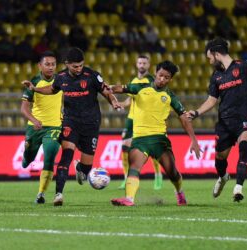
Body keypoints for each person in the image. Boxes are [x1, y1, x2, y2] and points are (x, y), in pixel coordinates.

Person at [187, 37, 247, 202]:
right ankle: (223, 177)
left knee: (244, 144)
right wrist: (196, 113)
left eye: (210, 58)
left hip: (244, 119)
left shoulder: (244, 66)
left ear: (217, 54)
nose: (210, 62)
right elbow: (211, 100)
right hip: (224, 123)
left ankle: (238, 188)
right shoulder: (216, 76)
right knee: (220, 158)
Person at [22, 47, 121, 206]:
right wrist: (35, 89)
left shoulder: (92, 75)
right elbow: (52, 89)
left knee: (86, 170)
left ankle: (81, 169)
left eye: (81, 65)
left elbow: (106, 91)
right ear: (67, 64)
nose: (79, 69)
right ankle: (58, 194)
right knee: (66, 156)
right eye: (75, 66)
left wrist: (114, 102)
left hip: (91, 124)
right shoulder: (61, 77)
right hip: (71, 122)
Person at [111, 61, 201, 206]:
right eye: (160, 75)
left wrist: (194, 140)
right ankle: (129, 199)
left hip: (160, 140)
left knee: (172, 172)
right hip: (140, 139)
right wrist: (108, 88)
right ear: (155, 73)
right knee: (134, 166)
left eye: (166, 77)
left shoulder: (170, 96)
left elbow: (184, 118)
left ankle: (179, 192)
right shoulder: (140, 87)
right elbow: (120, 88)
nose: (162, 80)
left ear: (170, 79)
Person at [21, 51, 62, 204]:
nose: (51, 67)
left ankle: (41, 194)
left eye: (53, 64)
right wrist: (34, 119)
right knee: (28, 158)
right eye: (47, 64)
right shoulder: (34, 81)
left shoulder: (61, 80)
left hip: (55, 126)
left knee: (50, 153)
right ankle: (26, 157)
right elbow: (24, 108)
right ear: (40, 65)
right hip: (35, 127)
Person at [119, 55, 164, 190]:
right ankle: (126, 178)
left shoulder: (151, 80)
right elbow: (130, 99)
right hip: (132, 119)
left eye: (144, 63)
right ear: (136, 64)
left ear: (148, 65)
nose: (142, 65)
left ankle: (158, 175)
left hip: (144, 119)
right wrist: (121, 103)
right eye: (140, 62)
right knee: (124, 147)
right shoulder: (133, 80)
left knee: (149, 148)